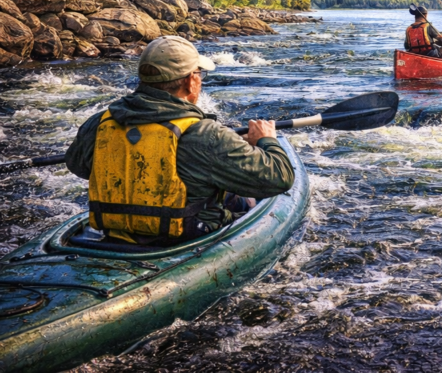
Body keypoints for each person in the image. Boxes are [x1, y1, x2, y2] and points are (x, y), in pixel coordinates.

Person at [66, 36, 294, 245]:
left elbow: (78, 165)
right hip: (188, 235)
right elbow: (279, 179)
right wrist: (266, 141)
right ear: (191, 81)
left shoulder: (100, 123)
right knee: (244, 199)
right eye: (200, 74)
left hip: (115, 232)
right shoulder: (207, 134)